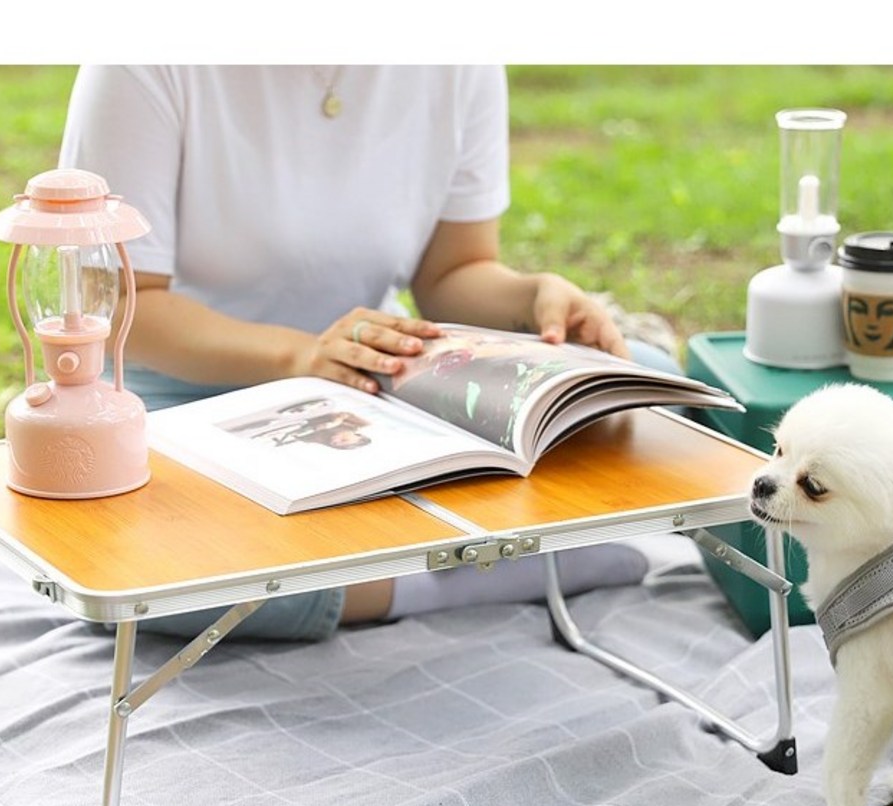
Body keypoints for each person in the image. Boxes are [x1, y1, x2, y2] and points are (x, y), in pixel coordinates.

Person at [58, 65, 677, 641]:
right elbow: (119, 309)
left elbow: (452, 272)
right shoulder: (143, 62)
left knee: (653, 382)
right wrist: (299, 358)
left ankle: (415, 550)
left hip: (376, 380)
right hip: (185, 393)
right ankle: (439, 579)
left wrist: (532, 295)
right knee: (133, 574)